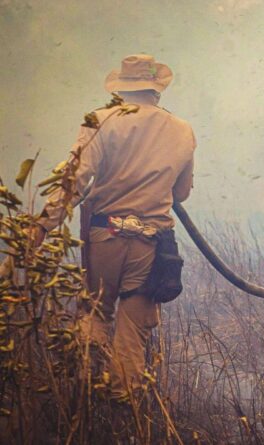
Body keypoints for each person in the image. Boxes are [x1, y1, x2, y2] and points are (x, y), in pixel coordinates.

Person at [32, 54, 196, 401]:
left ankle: (83, 404)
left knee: (94, 315)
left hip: (104, 236)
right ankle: (125, 413)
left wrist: (42, 228)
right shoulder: (182, 130)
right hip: (150, 244)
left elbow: (73, 182)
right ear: (156, 91)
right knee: (133, 332)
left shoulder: (100, 121)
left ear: (121, 89)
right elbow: (180, 192)